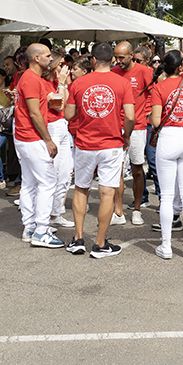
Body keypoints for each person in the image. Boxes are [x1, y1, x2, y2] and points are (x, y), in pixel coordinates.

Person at [64, 42, 134, 258]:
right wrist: (126, 136)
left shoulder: (78, 83)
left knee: (81, 189)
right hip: (111, 144)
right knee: (107, 193)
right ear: (112, 60)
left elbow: (68, 115)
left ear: (93, 60)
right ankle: (100, 243)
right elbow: (130, 116)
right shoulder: (122, 83)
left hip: (85, 143)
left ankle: (77, 239)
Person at [148, 50, 183, 260]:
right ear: (180, 67)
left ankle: (166, 245)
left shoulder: (158, 88)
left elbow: (155, 121)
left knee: (167, 196)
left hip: (168, 138)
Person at [14, 44, 63, 248]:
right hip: (32, 138)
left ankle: (30, 227)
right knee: (47, 183)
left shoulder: (28, 78)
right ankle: (41, 230)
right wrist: (48, 139)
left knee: (29, 183)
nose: (51, 59)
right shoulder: (32, 80)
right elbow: (34, 113)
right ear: (36, 58)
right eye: (47, 56)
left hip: (24, 138)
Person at [112, 41, 153, 226]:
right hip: (116, 126)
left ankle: (137, 209)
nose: (118, 61)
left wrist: (148, 110)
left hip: (138, 128)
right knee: (117, 170)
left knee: (137, 169)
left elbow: (154, 92)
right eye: (116, 57)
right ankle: (118, 211)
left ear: (131, 55)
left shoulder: (144, 71)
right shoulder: (114, 72)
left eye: (122, 57)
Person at [45, 50, 74, 229]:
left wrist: (63, 84)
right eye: (61, 65)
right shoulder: (46, 83)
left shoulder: (57, 83)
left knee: (65, 173)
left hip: (63, 126)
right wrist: (62, 84)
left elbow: (68, 102)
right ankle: (44, 216)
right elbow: (59, 105)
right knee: (51, 174)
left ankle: (55, 214)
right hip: (52, 128)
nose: (65, 68)